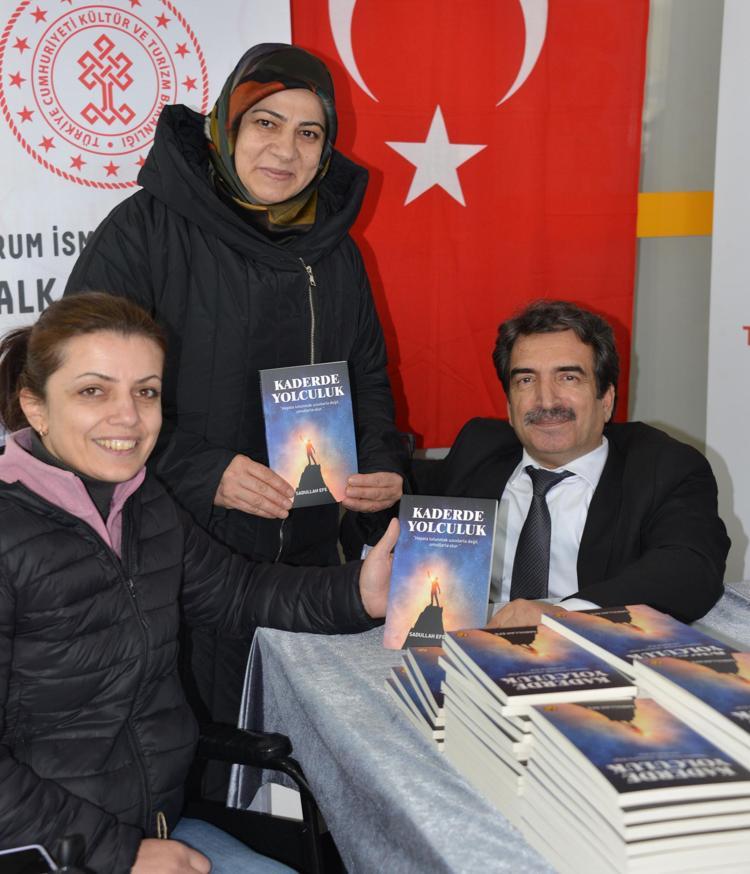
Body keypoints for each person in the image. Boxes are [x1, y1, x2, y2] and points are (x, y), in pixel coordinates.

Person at [63, 43, 405, 740]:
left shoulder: (336, 250)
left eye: (309, 133)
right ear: (225, 125)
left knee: (303, 761)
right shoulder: (145, 230)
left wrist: (379, 461)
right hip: (180, 562)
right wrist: (204, 472)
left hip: (310, 566)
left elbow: (366, 375)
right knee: (198, 764)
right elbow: (83, 396)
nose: (286, 150)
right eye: (266, 123)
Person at [0, 292, 398, 874]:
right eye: (93, 392)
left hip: (157, 827)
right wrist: (119, 855)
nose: (128, 416)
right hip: (51, 851)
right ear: (34, 407)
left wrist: (360, 591)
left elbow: (240, 592)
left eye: (146, 392)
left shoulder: (146, 504)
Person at [413, 299, 730, 629]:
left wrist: (565, 616)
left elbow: (690, 567)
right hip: (472, 639)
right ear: (508, 406)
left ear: (606, 400)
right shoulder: (478, 449)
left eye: (568, 378)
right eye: (526, 380)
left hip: (592, 646)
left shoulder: (663, 467)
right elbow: (401, 496)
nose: (546, 401)